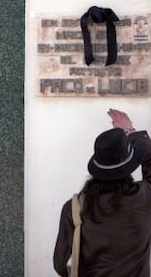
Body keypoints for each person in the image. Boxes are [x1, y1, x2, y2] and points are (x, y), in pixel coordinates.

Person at [53, 108, 151, 276]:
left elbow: (60, 263)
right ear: (128, 166)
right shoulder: (143, 198)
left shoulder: (74, 208)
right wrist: (130, 132)